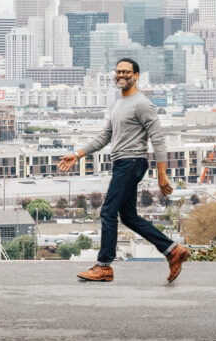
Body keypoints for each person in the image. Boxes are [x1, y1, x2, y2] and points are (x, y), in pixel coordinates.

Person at [59, 58, 190, 283]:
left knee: (108, 211)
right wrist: (78, 153)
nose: (121, 75)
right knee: (128, 216)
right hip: (122, 162)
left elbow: (158, 139)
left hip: (132, 162)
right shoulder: (118, 104)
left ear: (136, 75)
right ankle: (172, 250)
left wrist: (162, 174)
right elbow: (105, 137)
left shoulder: (143, 104)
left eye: (126, 72)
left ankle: (104, 266)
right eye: (118, 71)